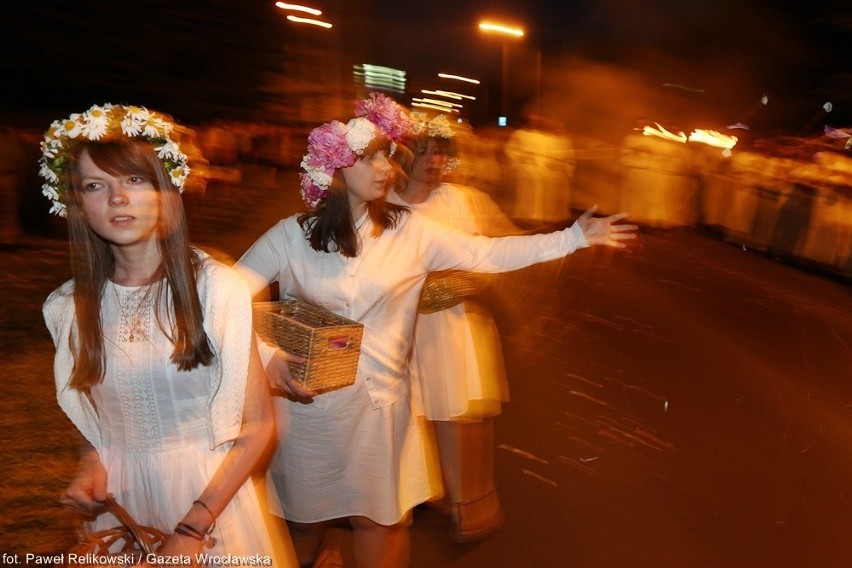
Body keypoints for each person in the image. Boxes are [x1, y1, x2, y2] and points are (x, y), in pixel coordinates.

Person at [235, 93, 637, 568]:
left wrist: (572, 238)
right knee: (303, 522)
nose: (388, 166)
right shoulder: (291, 234)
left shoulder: (413, 231)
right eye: (371, 157)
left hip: (381, 411)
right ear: (338, 172)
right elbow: (229, 295)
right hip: (309, 411)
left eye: (388, 155)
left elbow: (488, 254)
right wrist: (268, 359)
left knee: (377, 521)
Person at [40, 103, 296, 566]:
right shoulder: (66, 307)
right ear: (79, 205)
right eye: (96, 186)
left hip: (208, 501)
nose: (117, 198)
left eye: (134, 180)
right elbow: (96, 414)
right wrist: (91, 463)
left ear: (164, 193)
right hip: (122, 507)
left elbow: (258, 428)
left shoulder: (216, 289)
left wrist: (192, 527)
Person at [388, 111, 514, 543]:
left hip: (451, 324)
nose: (434, 159)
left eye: (440, 151)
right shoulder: (384, 203)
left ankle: (470, 503)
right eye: (423, 150)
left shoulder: (459, 200)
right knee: (405, 412)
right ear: (403, 156)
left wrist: (464, 280)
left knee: (457, 411)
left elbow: (483, 260)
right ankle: (418, 491)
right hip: (399, 328)